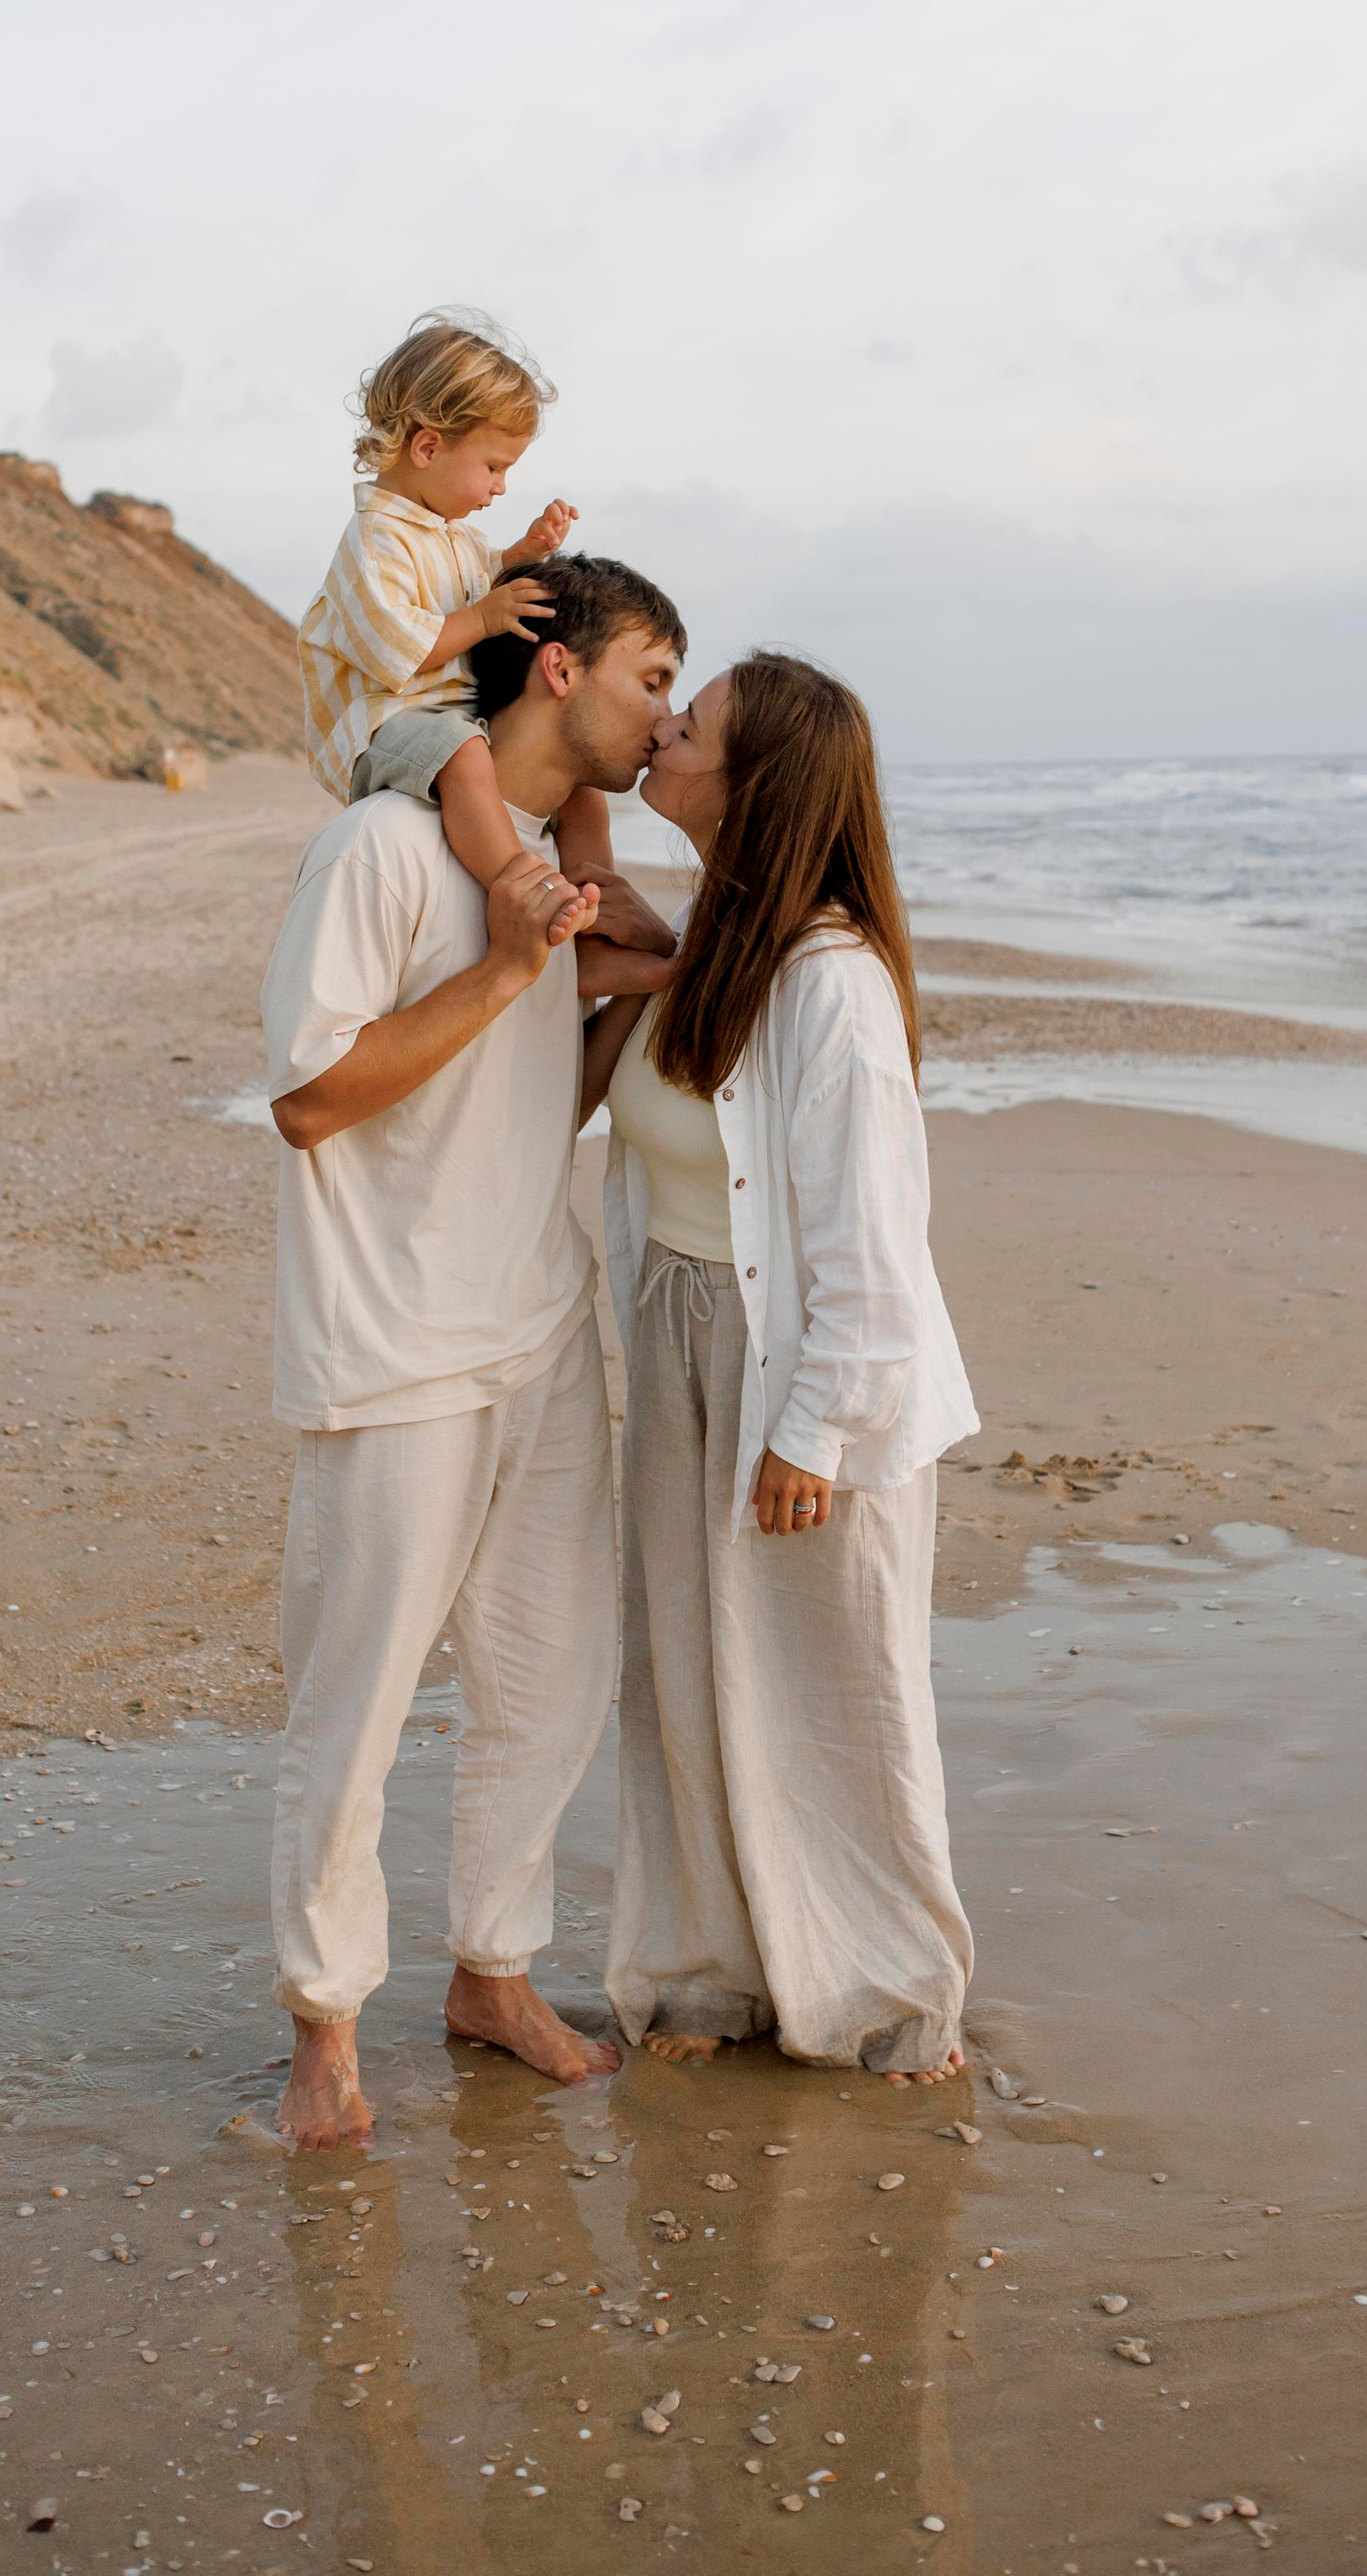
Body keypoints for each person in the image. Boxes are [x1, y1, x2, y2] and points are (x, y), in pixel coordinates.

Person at [261, 553, 687, 2148]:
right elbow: (310, 1102)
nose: (664, 719)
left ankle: (492, 1973)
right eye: (652, 678)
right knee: (356, 1703)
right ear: (558, 668)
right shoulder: (378, 850)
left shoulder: (553, 875)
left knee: (551, 1674)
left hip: (542, 1324)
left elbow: (524, 1105)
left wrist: (599, 1002)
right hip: (394, 1353)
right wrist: (515, 966)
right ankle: (323, 2026)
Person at [584, 651, 976, 2083]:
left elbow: (875, 1252)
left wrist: (813, 1430)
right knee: (682, 1669)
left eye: (695, 724)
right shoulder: (714, 943)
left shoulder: (830, 989)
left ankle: (888, 1999)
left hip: (802, 1363)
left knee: (836, 1685)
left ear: (753, 788)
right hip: (680, 1336)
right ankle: (707, 1974)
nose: (667, 731)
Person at [295, 309, 674, 991]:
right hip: (386, 722)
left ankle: (596, 911)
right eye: (494, 466)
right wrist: (484, 612)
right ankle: (515, 882)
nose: (500, 486)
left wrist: (523, 554)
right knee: (467, 758)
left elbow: (476, 582)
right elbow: (402, 654)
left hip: (445, 715)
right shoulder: (375, 542)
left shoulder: (449, 534)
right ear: (428, 447)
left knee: (578, 782)